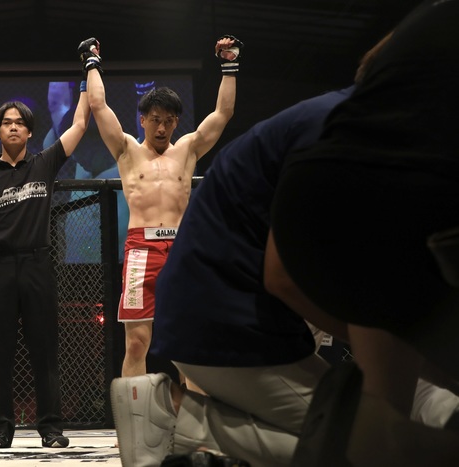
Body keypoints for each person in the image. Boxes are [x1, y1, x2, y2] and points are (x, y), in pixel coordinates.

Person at [108, 30, 459, 467]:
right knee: (369, 439)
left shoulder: (359, 126)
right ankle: (188, 421)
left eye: (168, 119)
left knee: (410, 409)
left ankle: (193, 420)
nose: (161, 126)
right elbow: (291, 275)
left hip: (220, 292)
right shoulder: (350, 131)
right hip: (215, 301)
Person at [267, 0, 459, 464]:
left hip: (307, 207)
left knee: (388, 389)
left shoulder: (354, 107)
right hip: (403, 203)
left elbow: (275, 272)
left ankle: (379, 431)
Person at [83, 34, 241, 377]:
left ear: (176, 122)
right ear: (142, 119)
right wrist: (91, 62)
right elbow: (98, 106)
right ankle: (135, 411)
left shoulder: (187, 149)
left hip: (182, 248)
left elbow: (224, 112)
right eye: (155, 119)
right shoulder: (126, 150)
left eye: (169, 120)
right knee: (137, 343)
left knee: (190, 338)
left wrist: (229, 65)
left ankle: (191, 409)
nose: (162, 127)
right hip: (141, 249)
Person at [0, 60, 91, 448]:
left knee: (44, 350)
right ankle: (0, 430)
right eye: (6, 122)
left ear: (30, 131)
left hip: (37, 265)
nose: (13, 127)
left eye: (19, 122)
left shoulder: (45, 163)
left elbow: (81, 124)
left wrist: (86, 79)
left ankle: (51, 429)